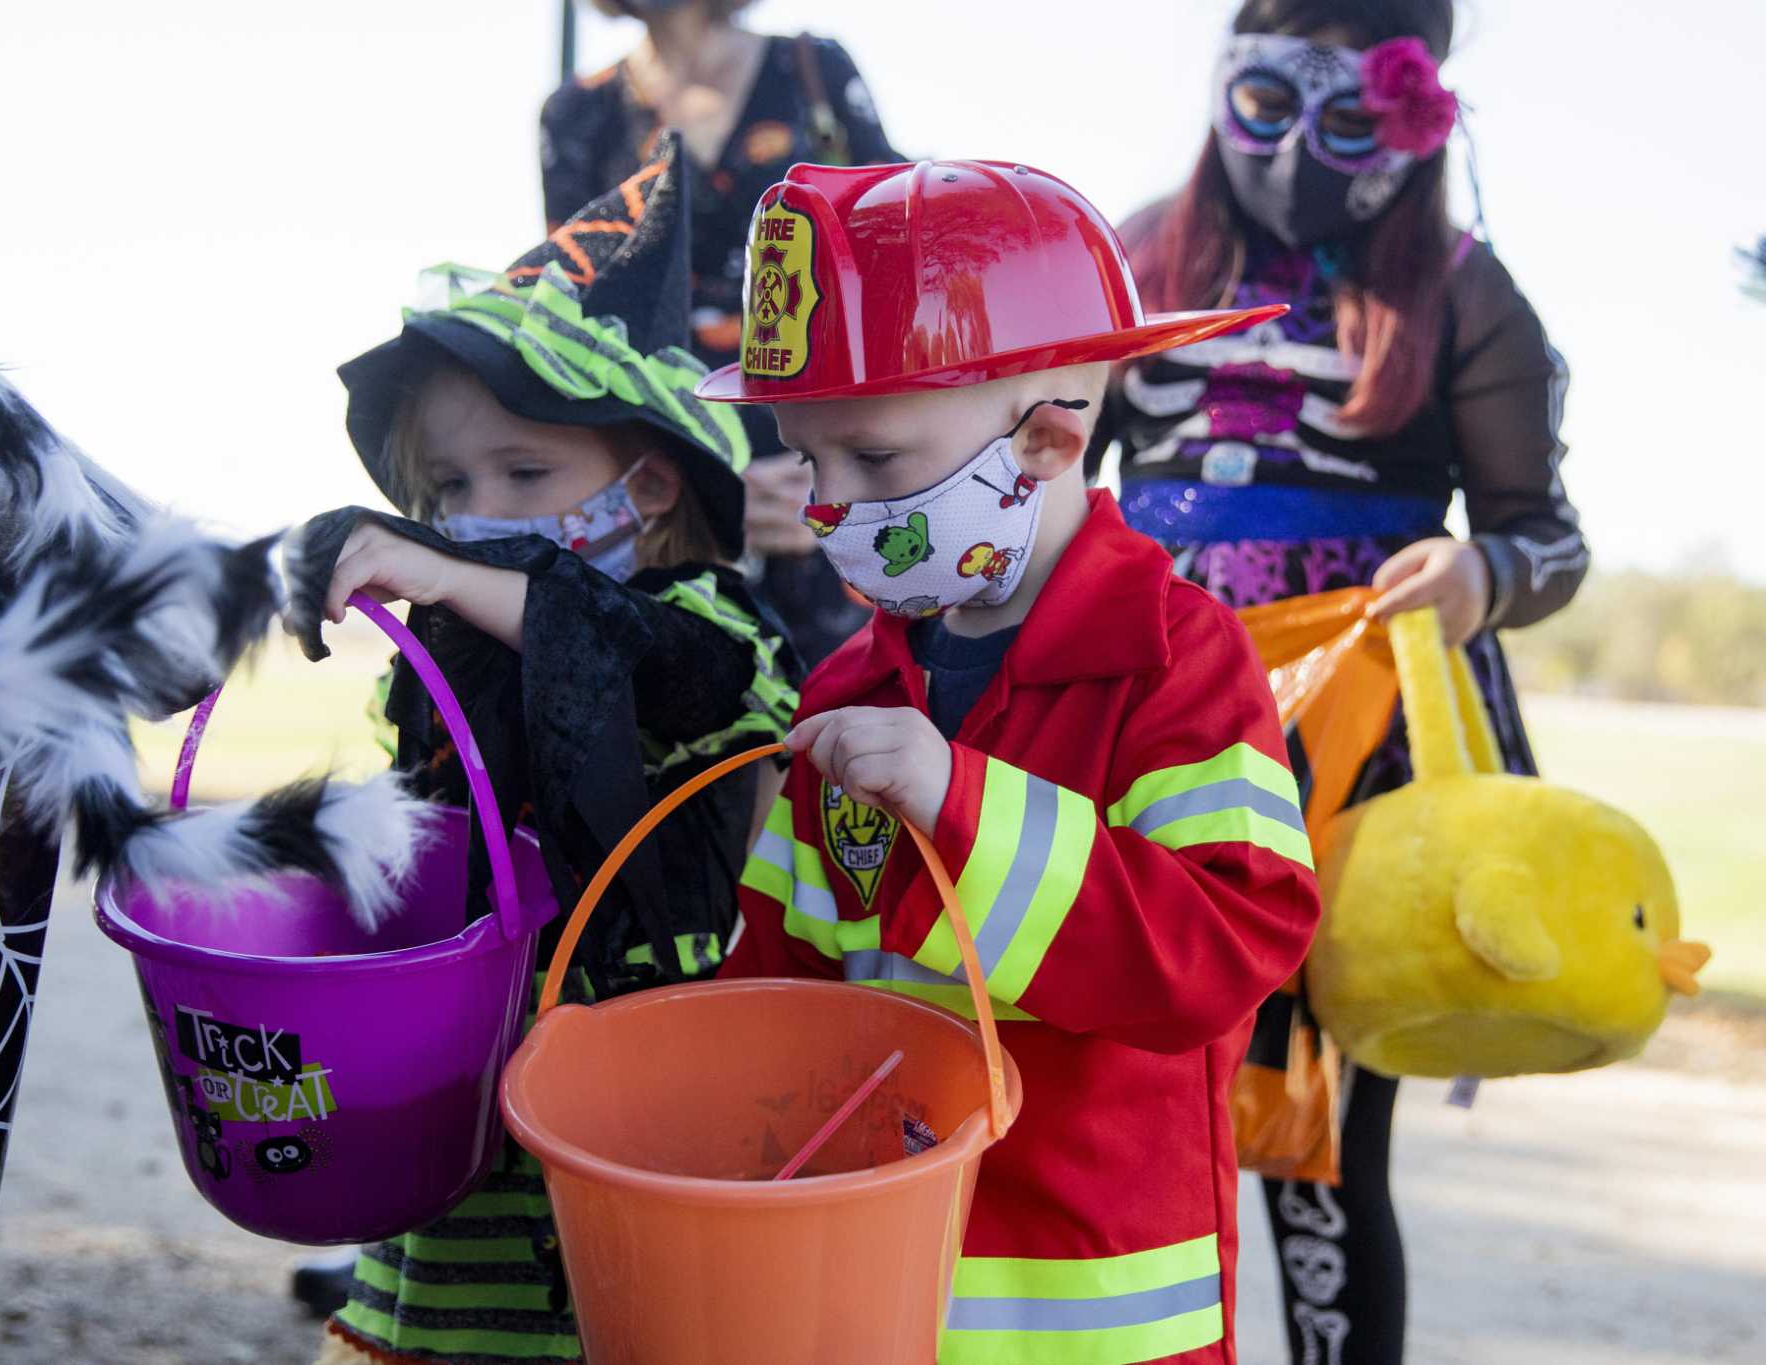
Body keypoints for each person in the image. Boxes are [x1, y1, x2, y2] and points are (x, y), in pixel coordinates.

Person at [702, 159, 1323, 1364]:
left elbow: (1221, 950)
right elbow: (776, 980)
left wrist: (957, 802)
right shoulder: (847, 692)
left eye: (871, 459)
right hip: (868, 1302)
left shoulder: (1177, 663)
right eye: (807, 459)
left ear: (1044, 438)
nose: (824, 506)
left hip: (1089, 1319)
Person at [1091, 3, 1586, 1361]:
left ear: (1415, 118)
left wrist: (1483, 573)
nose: (1298, 149)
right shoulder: (1138, 258)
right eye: (1266, 105)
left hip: (1354, 761)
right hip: (1146, 727)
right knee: (1112, 1109)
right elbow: (1037, 465)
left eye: (1351, 119)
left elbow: (1547, 537)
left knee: (1317, 1141)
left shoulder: (1463, 289)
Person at [287, 134, 801, 1365]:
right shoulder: (442, 655)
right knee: (457, 1329)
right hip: (466, 1084)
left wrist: (456, 579)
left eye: (524, 471)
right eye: (448, 485)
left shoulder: (715, 628)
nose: (477, 514)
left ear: (650, 487)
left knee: (614, 1323)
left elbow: (652, 668)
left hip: (635, 1086)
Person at [541, 0, 902, 667]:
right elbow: (576, 325)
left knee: (849, 698)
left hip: (825, 479)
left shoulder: (811, 68)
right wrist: (699, 490)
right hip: (670, 498)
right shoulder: (578, 113)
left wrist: (857, 471)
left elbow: (895, 268)